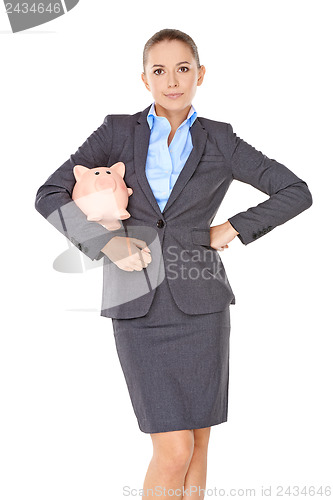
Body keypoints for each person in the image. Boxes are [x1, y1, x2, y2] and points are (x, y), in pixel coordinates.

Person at [35, 28, 312, 499]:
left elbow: (295, 191)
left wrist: (233, 228)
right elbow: (50, 194)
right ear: (144, 80)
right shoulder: (118, 131)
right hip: (137, 307)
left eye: (183, 68)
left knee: (199, 443)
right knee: (173, 449)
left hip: (202, 307)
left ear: (199, 74)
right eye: (158, 70)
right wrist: (107, 244)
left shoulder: (220, 139)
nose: (172, 80)